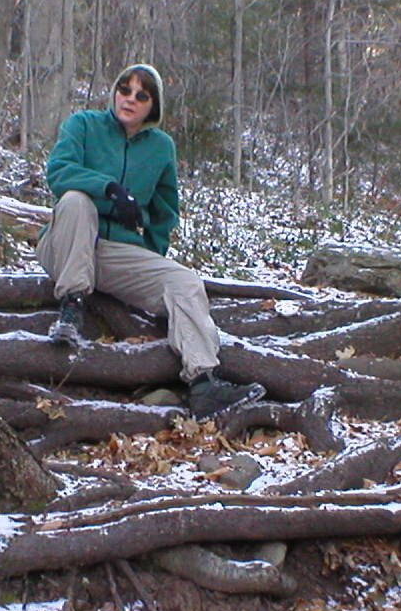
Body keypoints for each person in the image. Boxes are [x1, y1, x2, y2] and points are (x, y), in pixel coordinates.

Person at [36, 63, 266, 421]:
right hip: (64, 246)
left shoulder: (161, 147)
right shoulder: (83, 125)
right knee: (76, 201)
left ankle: (203, 383)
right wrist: (110, 189)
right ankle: (71, 307)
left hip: (113, 256)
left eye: (141, 95)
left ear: (153, 106)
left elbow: (164, 212)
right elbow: (59, 172)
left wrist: (149, 257)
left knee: (185, 282)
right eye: (124, 89)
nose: (129, 99)